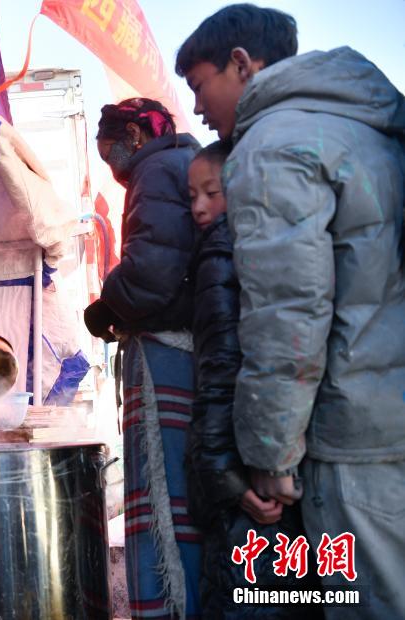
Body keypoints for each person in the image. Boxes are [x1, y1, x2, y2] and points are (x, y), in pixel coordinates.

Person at [176, 5, 405, 618]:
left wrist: (271, 455)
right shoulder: (367, 125)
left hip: (352, 435)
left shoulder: (273, 145)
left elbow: (287, 315)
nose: (197, 108)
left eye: (199, 85)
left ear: (241, 64)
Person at [186, 141, 321, 619]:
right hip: (284, 470)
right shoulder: (280, 241)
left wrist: (226, 479)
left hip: (247, 480)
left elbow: (220, 373)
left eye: (212, 192)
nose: (199, 207)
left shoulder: (221, 253)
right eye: (191, 196)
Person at [83, 98, 202, 619]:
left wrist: (109, 302)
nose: (111, 165)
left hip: (166, 356)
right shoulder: (183, 164)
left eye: (109, 149)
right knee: (185, 499)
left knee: (163, 497)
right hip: (190, 351)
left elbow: (152, 271)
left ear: (134, 134)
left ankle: (170, 607)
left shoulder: (155, 171)